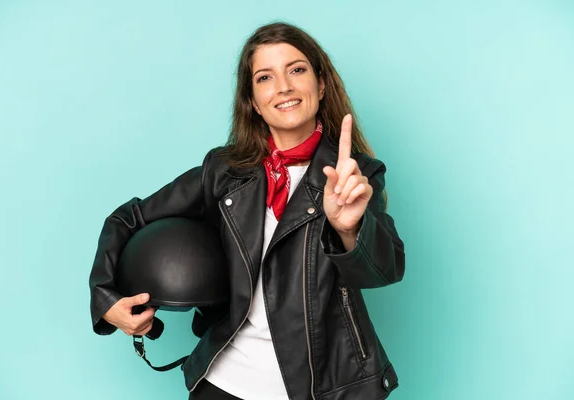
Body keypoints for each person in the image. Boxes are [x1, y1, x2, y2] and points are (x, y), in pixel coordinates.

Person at [89, 21, 405, 400]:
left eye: (297, 70)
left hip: (321, 391)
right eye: (265, 78)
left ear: (321, 85)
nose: (284, 86)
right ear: (253, 101)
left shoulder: (359, 174)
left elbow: (385, 271)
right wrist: (107, 300)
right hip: (223, 384)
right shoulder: (222, 171)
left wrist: (349, 228)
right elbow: (129, 218)